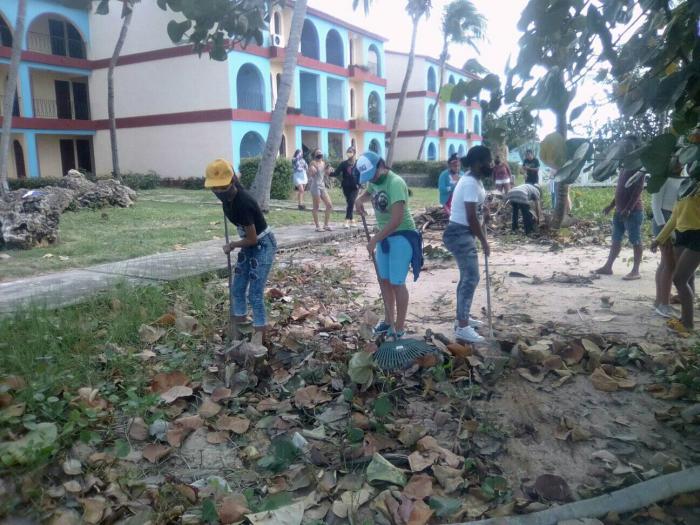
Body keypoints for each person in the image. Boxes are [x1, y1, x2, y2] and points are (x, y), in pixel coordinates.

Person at [205, 159, 277, 339]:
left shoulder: (243, 202)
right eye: (215, 188)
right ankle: (239, 332)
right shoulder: (227, 201)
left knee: (254, 293)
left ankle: (259, 339)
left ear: (232, 181)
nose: (219, 191)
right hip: (249, 244)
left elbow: (252, 239)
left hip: (262, 245)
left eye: (223, 187)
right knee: (237, 288)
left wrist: (232, 245)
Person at [355, 151, 422, 340]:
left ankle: (399, 329)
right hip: (385, 237)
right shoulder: (373, 180)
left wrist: (374, 239)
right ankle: (388, 321)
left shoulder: (396, 183)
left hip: (401, 235)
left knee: (396, 283)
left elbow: (396, 219)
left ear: (381, 165)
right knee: (383, 280)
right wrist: (359, 199)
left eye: (373, 175)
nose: (372, 180)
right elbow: (369, 192)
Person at [442, 145, 492, 343]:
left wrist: (485, 212)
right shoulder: (470, 182)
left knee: (467, 277)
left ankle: (461, 318)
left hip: (464, 231)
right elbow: (470, 217)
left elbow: (476, 211)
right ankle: (462, 326)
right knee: (471, 278)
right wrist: (484, 241)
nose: (490, 165)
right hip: (460, 232)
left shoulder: (475, 181)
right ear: (478, 163)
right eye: (487, 161)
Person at [593, 139, 645, 280]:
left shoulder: (638, 167)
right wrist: (611, 206)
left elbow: (637, 191)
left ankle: (636, 270)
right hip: (620, 211)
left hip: (633, 212)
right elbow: (619, 190)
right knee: (616, 239)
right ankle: (608, 266)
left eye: (625, 150)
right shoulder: (623, 167)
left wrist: (628, 209)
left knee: (635, 240)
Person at [652, 180, 700, 332]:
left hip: (697, 235)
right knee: (687, 277)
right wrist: (659, 238)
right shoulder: (686, 186)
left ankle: (688, 323)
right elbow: (674, 217)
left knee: (679, 278)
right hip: (681, 235)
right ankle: (685, 317)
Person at [651, 162, 684, 318]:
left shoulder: (685, 179)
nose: (678, 164)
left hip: (677, 220)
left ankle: (660, 301)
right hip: (663, 221)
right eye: (675, 160)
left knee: (666, 263)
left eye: (681, 160)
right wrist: (665, 230)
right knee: (669, 265)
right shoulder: (662, 179)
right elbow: (655, 206)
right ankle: (664, 304)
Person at [334, 146, 361, 228]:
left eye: (350, 151)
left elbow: (361, 174)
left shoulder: (358, 163)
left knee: (352, 201)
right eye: (348, 151)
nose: (349, 153)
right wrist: (329, 173)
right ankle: (352, 220)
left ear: (354, 153)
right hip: (346, 186)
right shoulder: (343, 164)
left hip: (355, 187)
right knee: (350, 202)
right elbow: (336, 173)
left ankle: (346, 220)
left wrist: (360, 184)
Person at [307, 149, 334, 232]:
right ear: (314, 155)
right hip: (315, 186)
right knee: (316, 206)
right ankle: (317, 226)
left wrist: (328, 170)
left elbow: (326, 174)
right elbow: (310, 173)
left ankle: (326, 225)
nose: (320, 154)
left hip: (322, 186)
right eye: (318, 153)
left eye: (320, 153)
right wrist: (312, 170)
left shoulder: (323, 163)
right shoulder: (313, 163)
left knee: (329, 205)